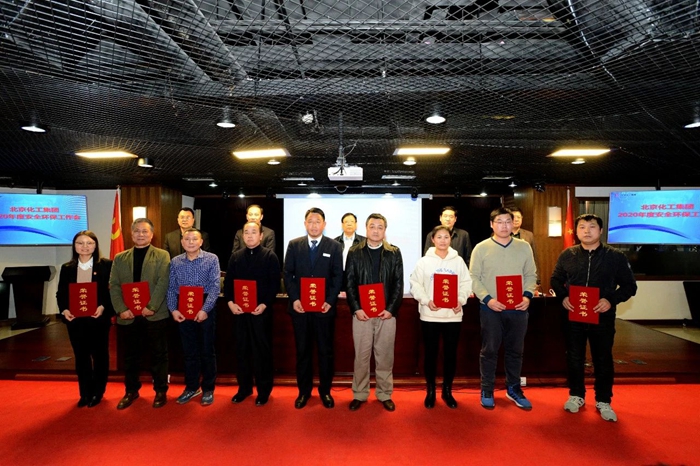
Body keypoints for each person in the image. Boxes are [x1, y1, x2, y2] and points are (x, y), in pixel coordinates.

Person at [551, 214, 637, 422]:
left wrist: (610, 300)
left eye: (592, 227)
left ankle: (603, 400)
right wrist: (563, 297)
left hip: (602, 315)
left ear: (601, 231)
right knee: (574, 357)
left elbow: (630, 286)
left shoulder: (615, 257)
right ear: (576, 231)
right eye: (582, 227)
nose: (587, 231)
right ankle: (576, 395)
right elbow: (555, 279)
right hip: (574, 315)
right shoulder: (568, 254)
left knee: (603, 358)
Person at [470, 207, 537, 410]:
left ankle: (513, 389)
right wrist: (488, 299)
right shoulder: (481, 248)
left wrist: (527, 295)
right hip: (490, 308)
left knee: (515, 350)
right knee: (489, 350)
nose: (504, 225)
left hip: (518, 308)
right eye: (499, 222)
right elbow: (473, 277)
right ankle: (487, 389)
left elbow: (531, 274)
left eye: (508, 221)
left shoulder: (524, 247)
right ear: (492, 225)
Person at [283, 207, 343, 409]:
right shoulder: (294, 245)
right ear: (305, 223)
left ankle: (325, 392)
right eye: (310, 221)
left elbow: (337, 276)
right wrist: (295, 299)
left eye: (318, 221)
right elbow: (288, 274)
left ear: (324, 225)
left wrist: (330, 300)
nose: (314, 225)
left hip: (324, 309)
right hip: (300, 309)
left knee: (325, 352)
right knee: (303, 352)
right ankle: (304, 392)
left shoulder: (334, 246)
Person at [109, 218, 171, 409]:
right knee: (130, 356)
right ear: (131, 233)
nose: (140, 234)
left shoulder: (162, 255)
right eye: (137, 231)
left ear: (152, 234)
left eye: (145, 231)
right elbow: (114, 285)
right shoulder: (120, 258)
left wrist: (152, 306)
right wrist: (121, 309)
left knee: (158, 355)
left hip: (154, 314)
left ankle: (160, 390)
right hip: (128, 315)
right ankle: (131, 390)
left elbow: (163, 282)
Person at [345, 213, 403, 412]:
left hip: (386, 315)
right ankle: (359, 394)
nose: (376, 230)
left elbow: (398, 283)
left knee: (385, 356)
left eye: (380, 227)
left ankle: (384, 393)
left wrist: (391, 309)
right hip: (362, 315)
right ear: (366, 228)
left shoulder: (394, 252)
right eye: (372, 226)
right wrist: (356, 308)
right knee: (361, 357)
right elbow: (349, 282)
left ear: (385, 230)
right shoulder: (355, 252)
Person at [410, 225, 471, 409]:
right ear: (432, 239)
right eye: (439, 237)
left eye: (446, 237)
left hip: (453, 315)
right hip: (430, 315)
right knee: (430, 354)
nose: (443, 240)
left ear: (450, 239)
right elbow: (415, 284)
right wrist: (426, 301)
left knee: (450, 354)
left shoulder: (458, 261)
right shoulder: (424, 262)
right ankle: (430, 391)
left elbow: (466, 283)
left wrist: (460, 300)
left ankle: (447, 390)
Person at [224, 221, 281, 406]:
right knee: (242, 351)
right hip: (239, 313)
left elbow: (274, 284)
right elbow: (229, 283)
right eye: (246, 232)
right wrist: (231, 303)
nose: (249, 235)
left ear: (261, 236)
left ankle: (264, 391)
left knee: (261, 352)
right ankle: (244, 388)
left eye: (254, 232)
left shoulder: (270, 256)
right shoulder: (235, 257)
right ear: (242, 236)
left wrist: (264, 304)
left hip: (261, 313)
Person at [56, 230, 114, 408]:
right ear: (74, 246)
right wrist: (64, 310)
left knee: (99, 356)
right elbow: (61, 293)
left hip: (98, 319)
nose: (85, 246)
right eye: (80, 243)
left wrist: (103, 306)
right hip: (75, 321)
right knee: (81, 357)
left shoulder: (106, 265)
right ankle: (85, 393)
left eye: (89, 243)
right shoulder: (67, 268)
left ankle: (98, 392)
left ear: (95, 245)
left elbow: (112, 292)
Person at [167, 228, 221, 406]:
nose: (190, 242)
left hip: (205, 306)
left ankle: (208, 388)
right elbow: (171, 287)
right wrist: (173, 309)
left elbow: (215, 287)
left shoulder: (211, 259)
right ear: (182, 242)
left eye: (194, 239)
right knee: (189, 351)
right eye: (187, 239)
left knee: (207, 350)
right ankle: (191, 387)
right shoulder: (175, 261)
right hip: (183, 307)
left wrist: (205, 309)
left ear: (201, 242)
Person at [510, 207, 540, 288]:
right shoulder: (501, 234)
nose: (516, 219)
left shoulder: (529, 235)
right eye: (513, 217)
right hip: (507, 273)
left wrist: (537, 278)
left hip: (525, 274)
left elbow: (534, 256)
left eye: (519, 217)